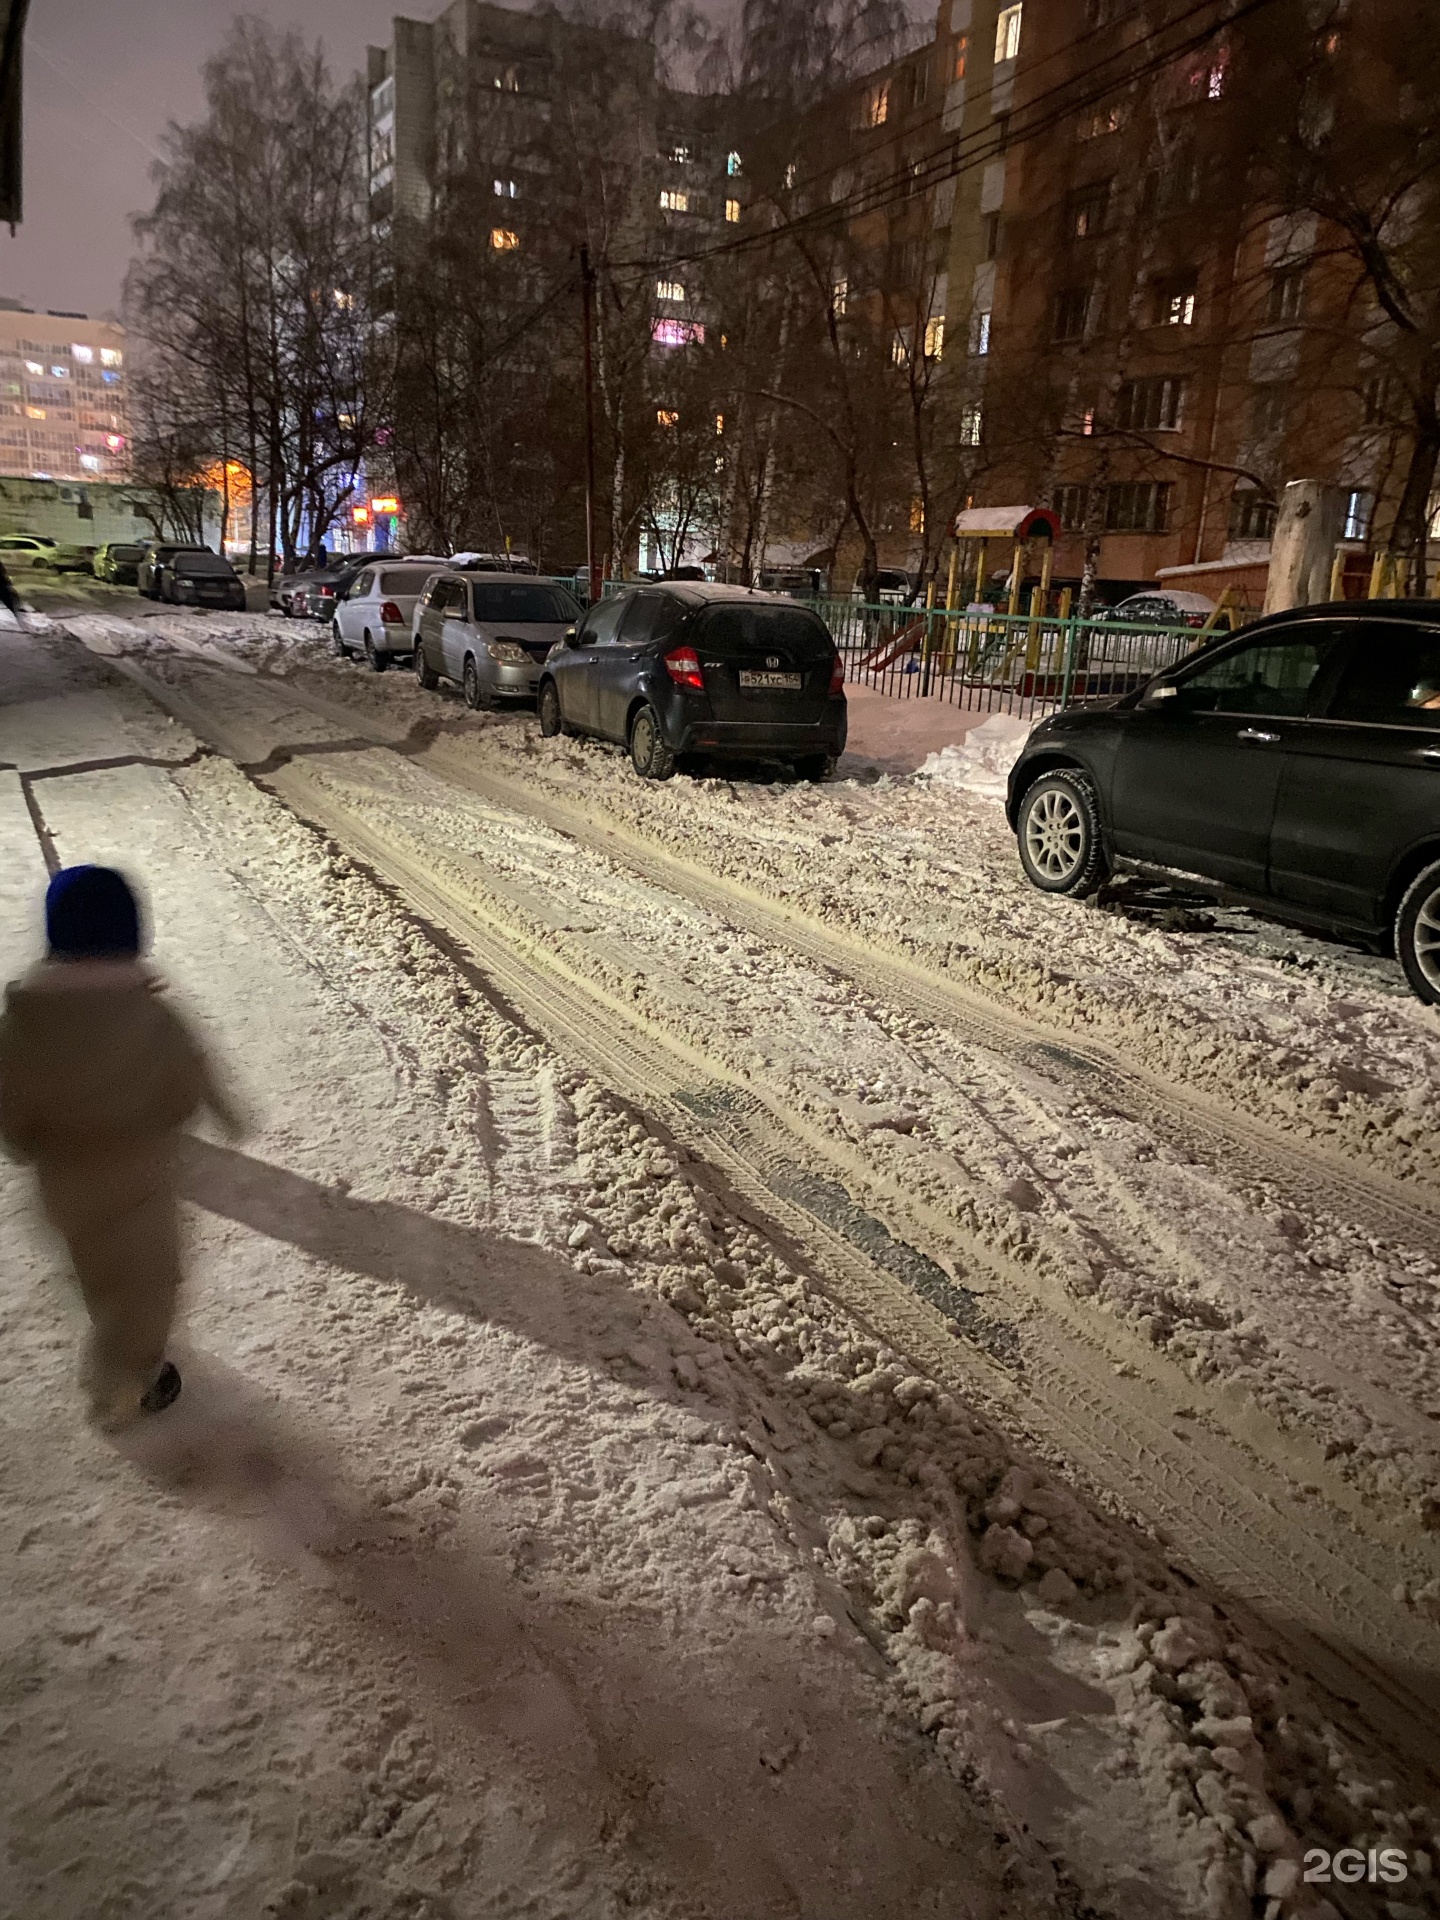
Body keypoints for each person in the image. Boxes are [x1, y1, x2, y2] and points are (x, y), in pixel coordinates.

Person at [0, 866, 243, 1427]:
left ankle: (116, 1341)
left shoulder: (24, 1024)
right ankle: (125, 1382)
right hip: (141, 1179)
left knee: (99, 1272)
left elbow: (11, 1106)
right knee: (152, 1282)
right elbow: (189, 1079)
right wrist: (215, 1114)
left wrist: (23, 1141)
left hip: (64, 1185)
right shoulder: (152, 1015)